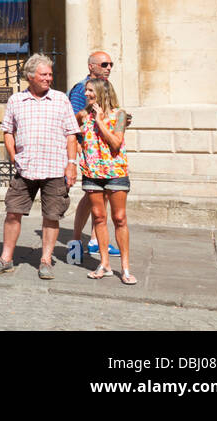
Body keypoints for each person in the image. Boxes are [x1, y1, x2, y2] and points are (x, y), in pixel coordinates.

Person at [0, 53, 79, 280]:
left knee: (52, 216)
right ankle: (6, 258)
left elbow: (71, 135)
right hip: (25, 168)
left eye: (50, 74)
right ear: (30, 76)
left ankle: (45, 260)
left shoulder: (60, 99)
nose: (49, 78)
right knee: (13, 212)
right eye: (44, 74)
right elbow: (8, 130)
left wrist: (71, 164)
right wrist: (13, 156)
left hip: (55, 168)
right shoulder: (16, 100)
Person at [80, 78, 136, 284]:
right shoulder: (83, 115)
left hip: (115, 173)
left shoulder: (119, 115)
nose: (86, 94)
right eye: (86, 91)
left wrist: (100, 121)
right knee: (98, 218)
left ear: (103, 93)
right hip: (92, 174)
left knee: (119, 218)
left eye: (90, 91)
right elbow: (68, 131)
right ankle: (104, 264)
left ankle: (125, 267)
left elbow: (115, 143)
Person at [67, 50, 120, 260]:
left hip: (104, 151)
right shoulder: (82, 89)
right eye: (104, 64)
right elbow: (74, 120)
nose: (108, 68)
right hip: (88, 150)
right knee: (92, 196)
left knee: (102, 195)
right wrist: (77, 146)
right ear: (92, 66)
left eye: (110, 65)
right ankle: (79, 239)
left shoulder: (105, 87)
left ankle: (96, 241)